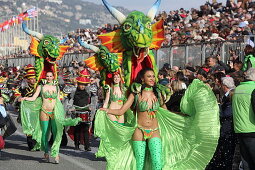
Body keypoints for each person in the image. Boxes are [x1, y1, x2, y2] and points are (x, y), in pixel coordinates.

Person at [96, 68, 220, 170]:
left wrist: (181, 116)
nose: (152, 79)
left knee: (157, 163)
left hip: (155, 131)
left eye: (153, 76)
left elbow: (166, 112)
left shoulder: (158, 93)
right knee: (139, 165)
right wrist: (107, 110)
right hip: (139, 131)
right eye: (149, 76)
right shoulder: (136, 93)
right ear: (142, 79)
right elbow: (122, 110)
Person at [20, 71, 81, 164]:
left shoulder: (56, 87)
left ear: (53, 77)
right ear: (45, 77)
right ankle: (46, 152)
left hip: (54, 112)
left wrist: (62, 113)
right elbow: (33, 98)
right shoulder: (41, 87)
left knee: (56, 132)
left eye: (50, 76)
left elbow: (58, 101)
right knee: (44, 133)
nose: (48, 78)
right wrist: (24, 98)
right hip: (44, 112)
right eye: (47, 76)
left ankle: (56, 153)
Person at [232, 68, 255, 169]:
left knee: (246, 162)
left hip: (239, 128)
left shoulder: (238, 89)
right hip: (252, 129)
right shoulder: (253, 89)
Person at [68, 69, 92, 151]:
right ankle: (76, 144)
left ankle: (87, 146)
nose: (82, 86)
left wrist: (91, 107)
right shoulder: (73, 92)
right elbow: (70, 101)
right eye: (81, 84)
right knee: (77, 130)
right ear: (78, 84)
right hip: (76, 112)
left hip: (85, 112)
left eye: (84, 85)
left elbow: (93, 101)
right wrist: (70, 108)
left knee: (86, 130)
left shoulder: (88, 92)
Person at [16, 64, 37, 151]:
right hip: (27, 110)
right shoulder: (23, 87)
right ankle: (30, 144)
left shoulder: (38, 87)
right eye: (31, 79)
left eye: (34, 78)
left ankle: (36, 143)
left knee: (36, 127)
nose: (33, 80)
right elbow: (17, 94)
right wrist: (19, 98)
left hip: (36, 109)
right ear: (28, 79)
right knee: (29, 127)